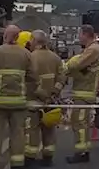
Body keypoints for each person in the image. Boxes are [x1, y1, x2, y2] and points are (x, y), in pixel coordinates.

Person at [0, 25, 39, 169]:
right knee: (18, 134)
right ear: (17, 37)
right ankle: (17, 163)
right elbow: (33, 77)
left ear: (4, 36)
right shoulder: (26, 54)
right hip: (18, 102)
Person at [64, 24, 99, 164]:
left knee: (79, 123)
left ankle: (80, 153)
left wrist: (68, 65)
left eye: (79, 35)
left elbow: (77, 65)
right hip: (84, 91)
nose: (78, 38)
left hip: (84, 93)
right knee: (82, 123)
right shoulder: (92, 49)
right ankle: (84, 151)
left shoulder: (92, 49)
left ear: (86, 34)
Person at [27, 30, 66, 167]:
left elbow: (29, 82)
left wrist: (41, 94)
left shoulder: (30, 57)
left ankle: (30, 158)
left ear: (34, 41)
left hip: (34, 100)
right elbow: (62, 77)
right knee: (49, 130)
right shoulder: (55, 58)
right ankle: (48, 157)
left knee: (32, 130)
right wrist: (54, 92)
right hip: (52, 102)